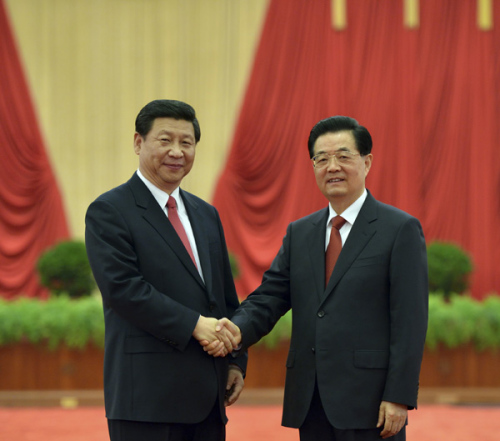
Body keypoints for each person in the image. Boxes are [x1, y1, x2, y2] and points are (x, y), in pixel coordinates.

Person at [206, 116, 428, 440]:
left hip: (371, 403)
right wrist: (234, 331)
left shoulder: (398, 230)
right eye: (321, 159)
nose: (332, 166)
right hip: (311, 401)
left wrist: (399, 395)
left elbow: (410, 320)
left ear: (367, 162)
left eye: (343, 156)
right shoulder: (301, 233)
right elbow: (270, 297)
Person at [85, 99, 245, 441]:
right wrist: (195, 325)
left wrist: (235, 361)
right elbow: (123, 290)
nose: (177, 151)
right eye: (165, 140)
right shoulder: (110, 210)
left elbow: (224, 298)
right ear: (138, 142)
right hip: (146, 401)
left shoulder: (206, 215)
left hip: (208, 400)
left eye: (186, 143)